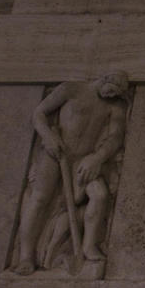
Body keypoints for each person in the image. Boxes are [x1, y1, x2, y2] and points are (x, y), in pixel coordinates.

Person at [13, 72, 129, 275]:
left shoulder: (116, 106)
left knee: (99, 194)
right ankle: (25, 257)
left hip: (84, 160)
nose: (112, 96)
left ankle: (89, 246)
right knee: (40, 199)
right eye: (113, 90)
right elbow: (39, 113)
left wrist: (97, 158)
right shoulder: (71, 89)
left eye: (117, 94)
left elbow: (115, 137)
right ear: (105, 79)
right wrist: (48, 136)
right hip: (55, 152)